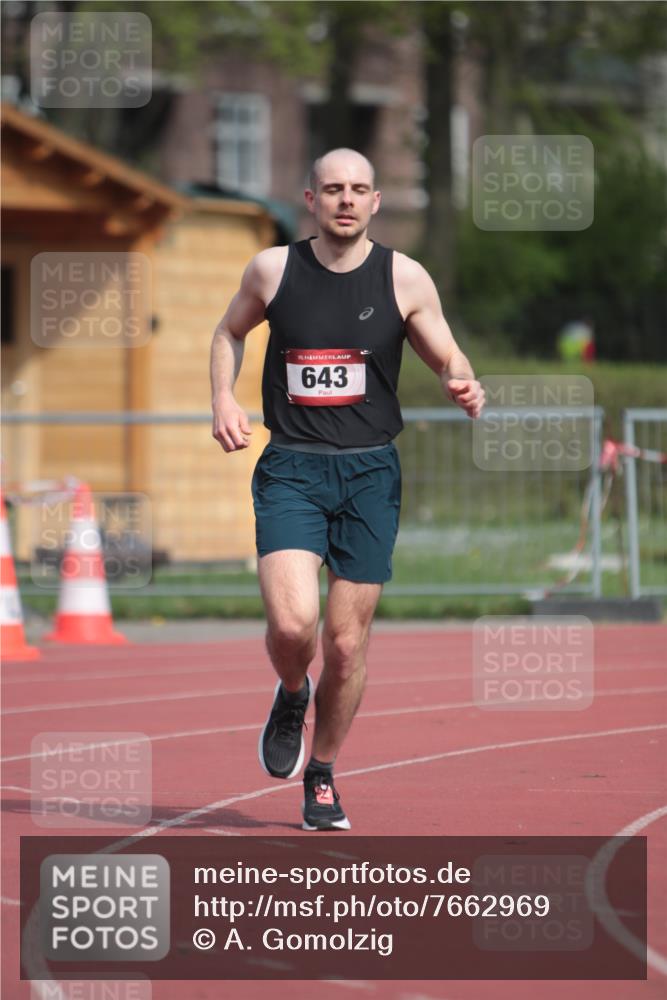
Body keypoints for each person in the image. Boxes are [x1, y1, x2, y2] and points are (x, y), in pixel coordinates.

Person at [210, 148, 485, 831]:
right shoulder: (273, 269)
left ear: (375, 201)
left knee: (345, 643)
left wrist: (461, 379)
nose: (346, 199)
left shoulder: (404, 277)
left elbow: (447, 352)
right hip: (292, 468)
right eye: (333, 188)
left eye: (359, 189)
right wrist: (222, 397)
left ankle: (323, 773)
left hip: (369, 475)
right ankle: (291, 691)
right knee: (292, 625)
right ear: (310, 198)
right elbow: (228, 332)